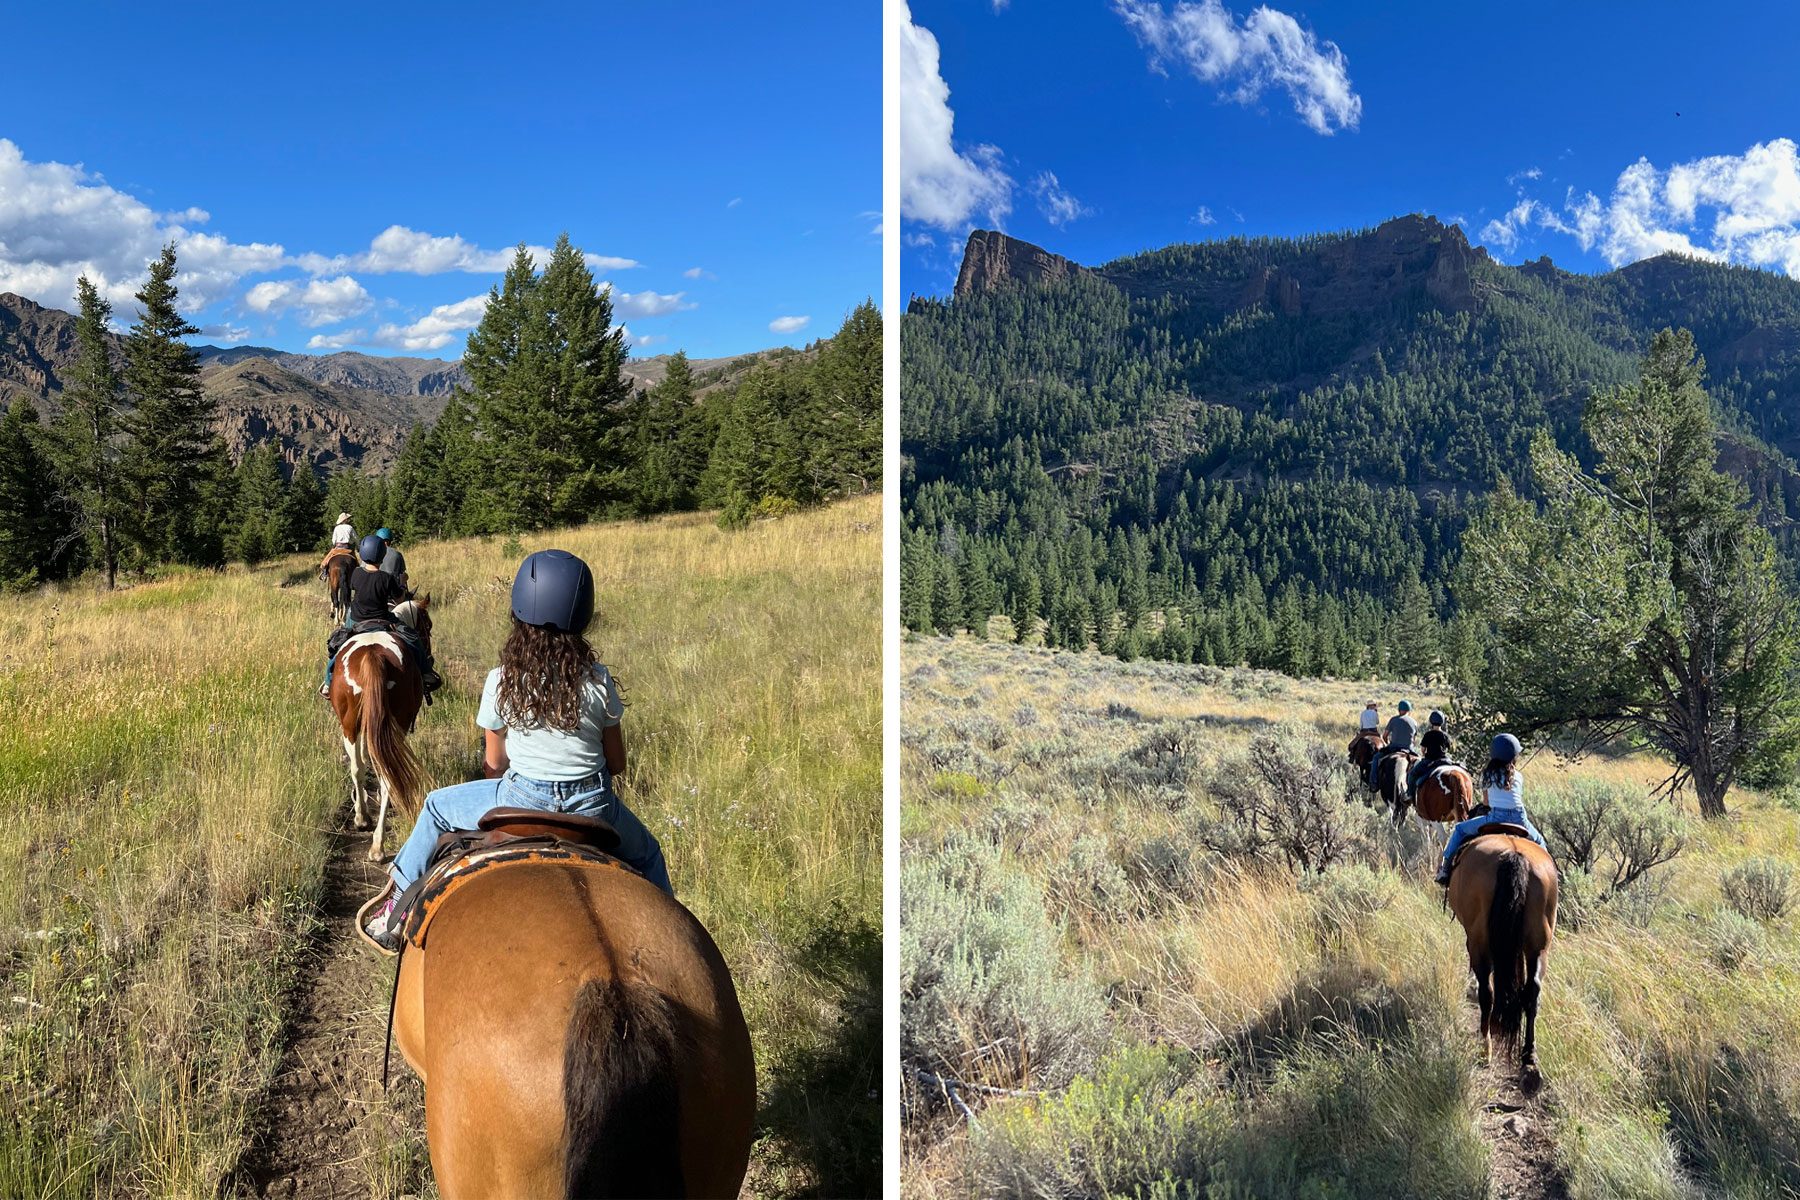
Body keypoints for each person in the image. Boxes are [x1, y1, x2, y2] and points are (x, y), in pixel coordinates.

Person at [362, 549, 672, 951]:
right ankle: (665, 933)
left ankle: (394, 912)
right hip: (594, 805)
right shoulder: (599, 681)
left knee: (437, 807)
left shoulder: (502, 680)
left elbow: (494, 764)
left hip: (521, 796)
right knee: (649, 854)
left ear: (519, 611)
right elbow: (616, 764)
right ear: (583, 616)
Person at [322, 534, 440, 695]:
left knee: (338, 644)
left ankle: (328, 681)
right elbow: (399, 599)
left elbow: (353, 586)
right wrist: (401, 581)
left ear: (363, 554)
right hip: (382, 619)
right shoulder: (387, 578)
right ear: (382, 556)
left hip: (356, 619)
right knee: (413, 638)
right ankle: (426, 672)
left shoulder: (356, 573)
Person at [1435, 733, 1549, 885]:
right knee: (1540, 841)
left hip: (1495, 817)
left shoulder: (1487, 775)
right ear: (1513, 756)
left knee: (1460, 829)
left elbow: (1486, 802)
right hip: (1519, 818)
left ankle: (1445, 868)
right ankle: (1550, 873)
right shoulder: (1519, 776)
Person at [1371, 698, 1418, 788]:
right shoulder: (1414, 722)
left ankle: (1374, 782)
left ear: (1399, 710)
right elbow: (1414, 740)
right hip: (1408, 749)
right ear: (1409, 710)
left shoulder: (1393, 720)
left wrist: (1388, 743)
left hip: (1394, 748)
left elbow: (1384, 736)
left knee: (1376, 758)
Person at [1407, 709, 1453, 795]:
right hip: (1443, 760)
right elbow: (1449, 748)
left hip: (1429, 760)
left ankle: (1409, 794)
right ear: (1442, 721)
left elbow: (1423, 749)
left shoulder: (1428, 734)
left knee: (1412, 774)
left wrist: (1424, 755)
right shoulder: (1445, 735)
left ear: (1431, 721)